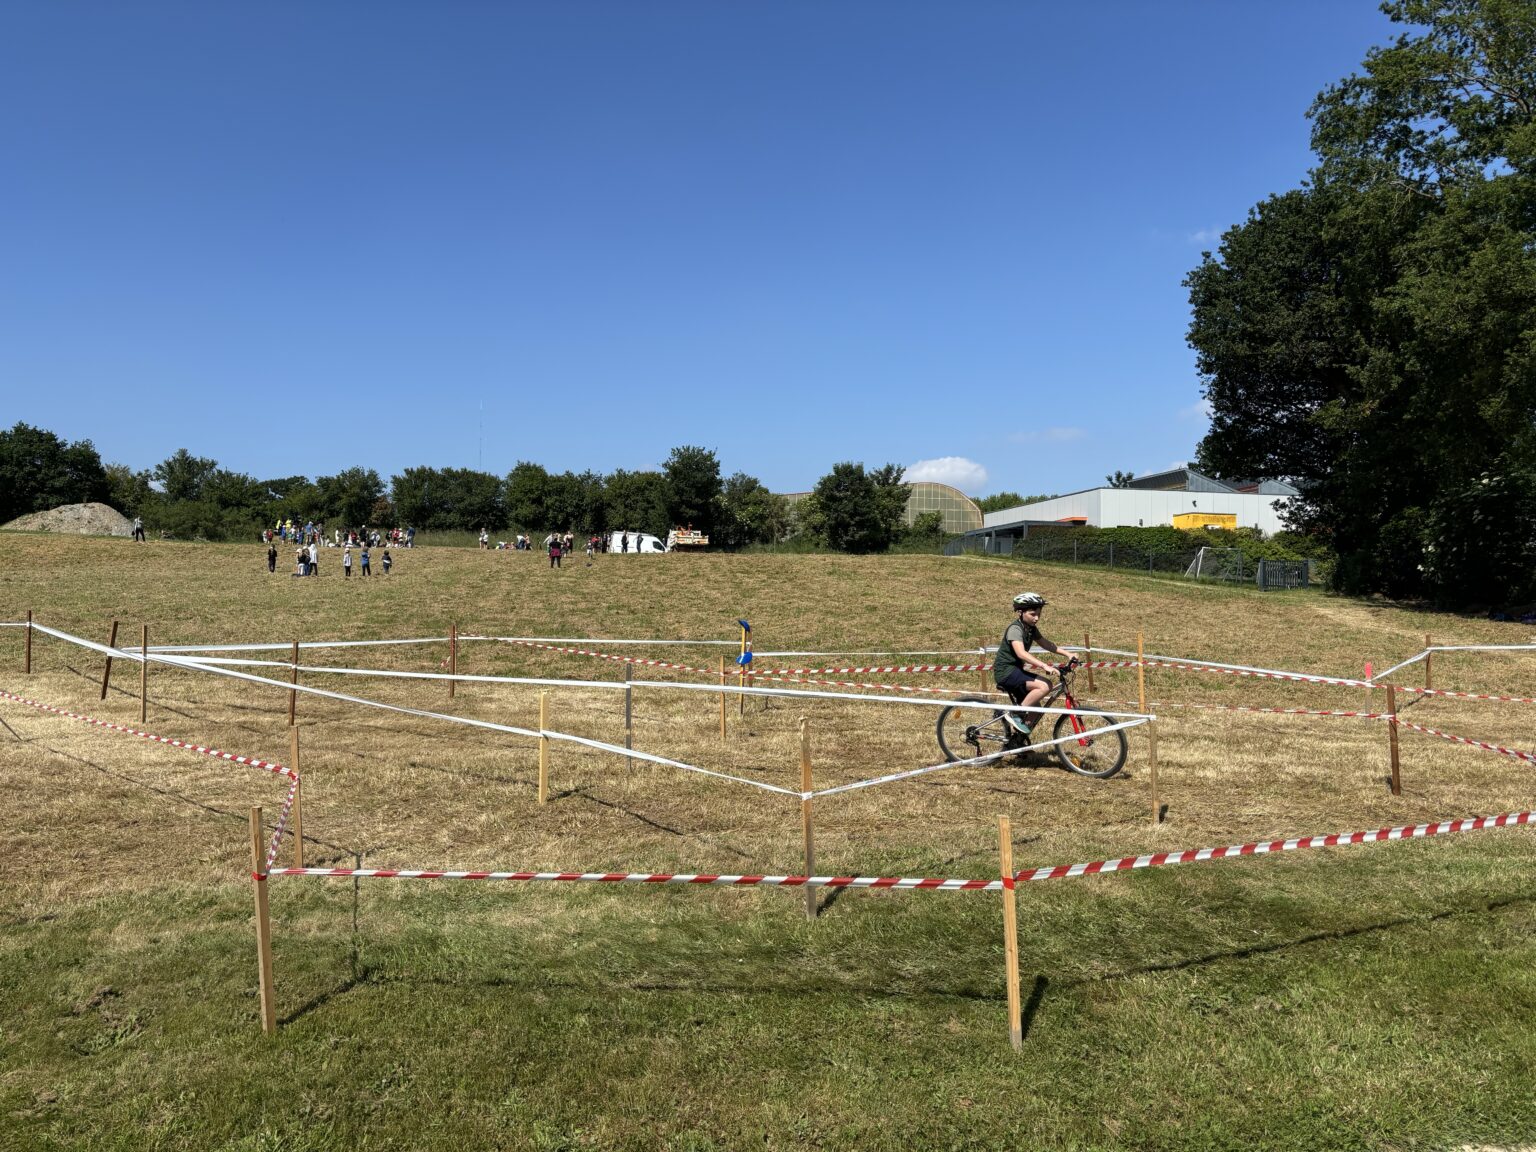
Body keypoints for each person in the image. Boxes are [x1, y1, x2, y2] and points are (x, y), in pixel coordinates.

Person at [993, 592, 1074, 743]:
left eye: (1039, 614)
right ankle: (1015, 714)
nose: (1036, 618)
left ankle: (1016, 743)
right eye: (1032, 614)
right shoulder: (1015, 629)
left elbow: (1046, 644)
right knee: (1045, 686)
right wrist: (1044, 665)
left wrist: (1068, 654)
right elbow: (1021, 653)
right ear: (1020, 612)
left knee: (1035, 709)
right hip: (1005, 672)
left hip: (1016, 671)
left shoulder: (1030, 628)